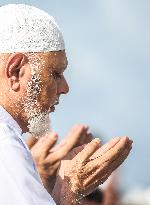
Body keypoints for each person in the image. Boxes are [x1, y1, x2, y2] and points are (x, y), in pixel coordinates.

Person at [0, 4, 132, 205]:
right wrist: (73, 189)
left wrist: (50, 183)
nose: (65, 87)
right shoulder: (6, 145)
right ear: (16, 71)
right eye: (56, 74)